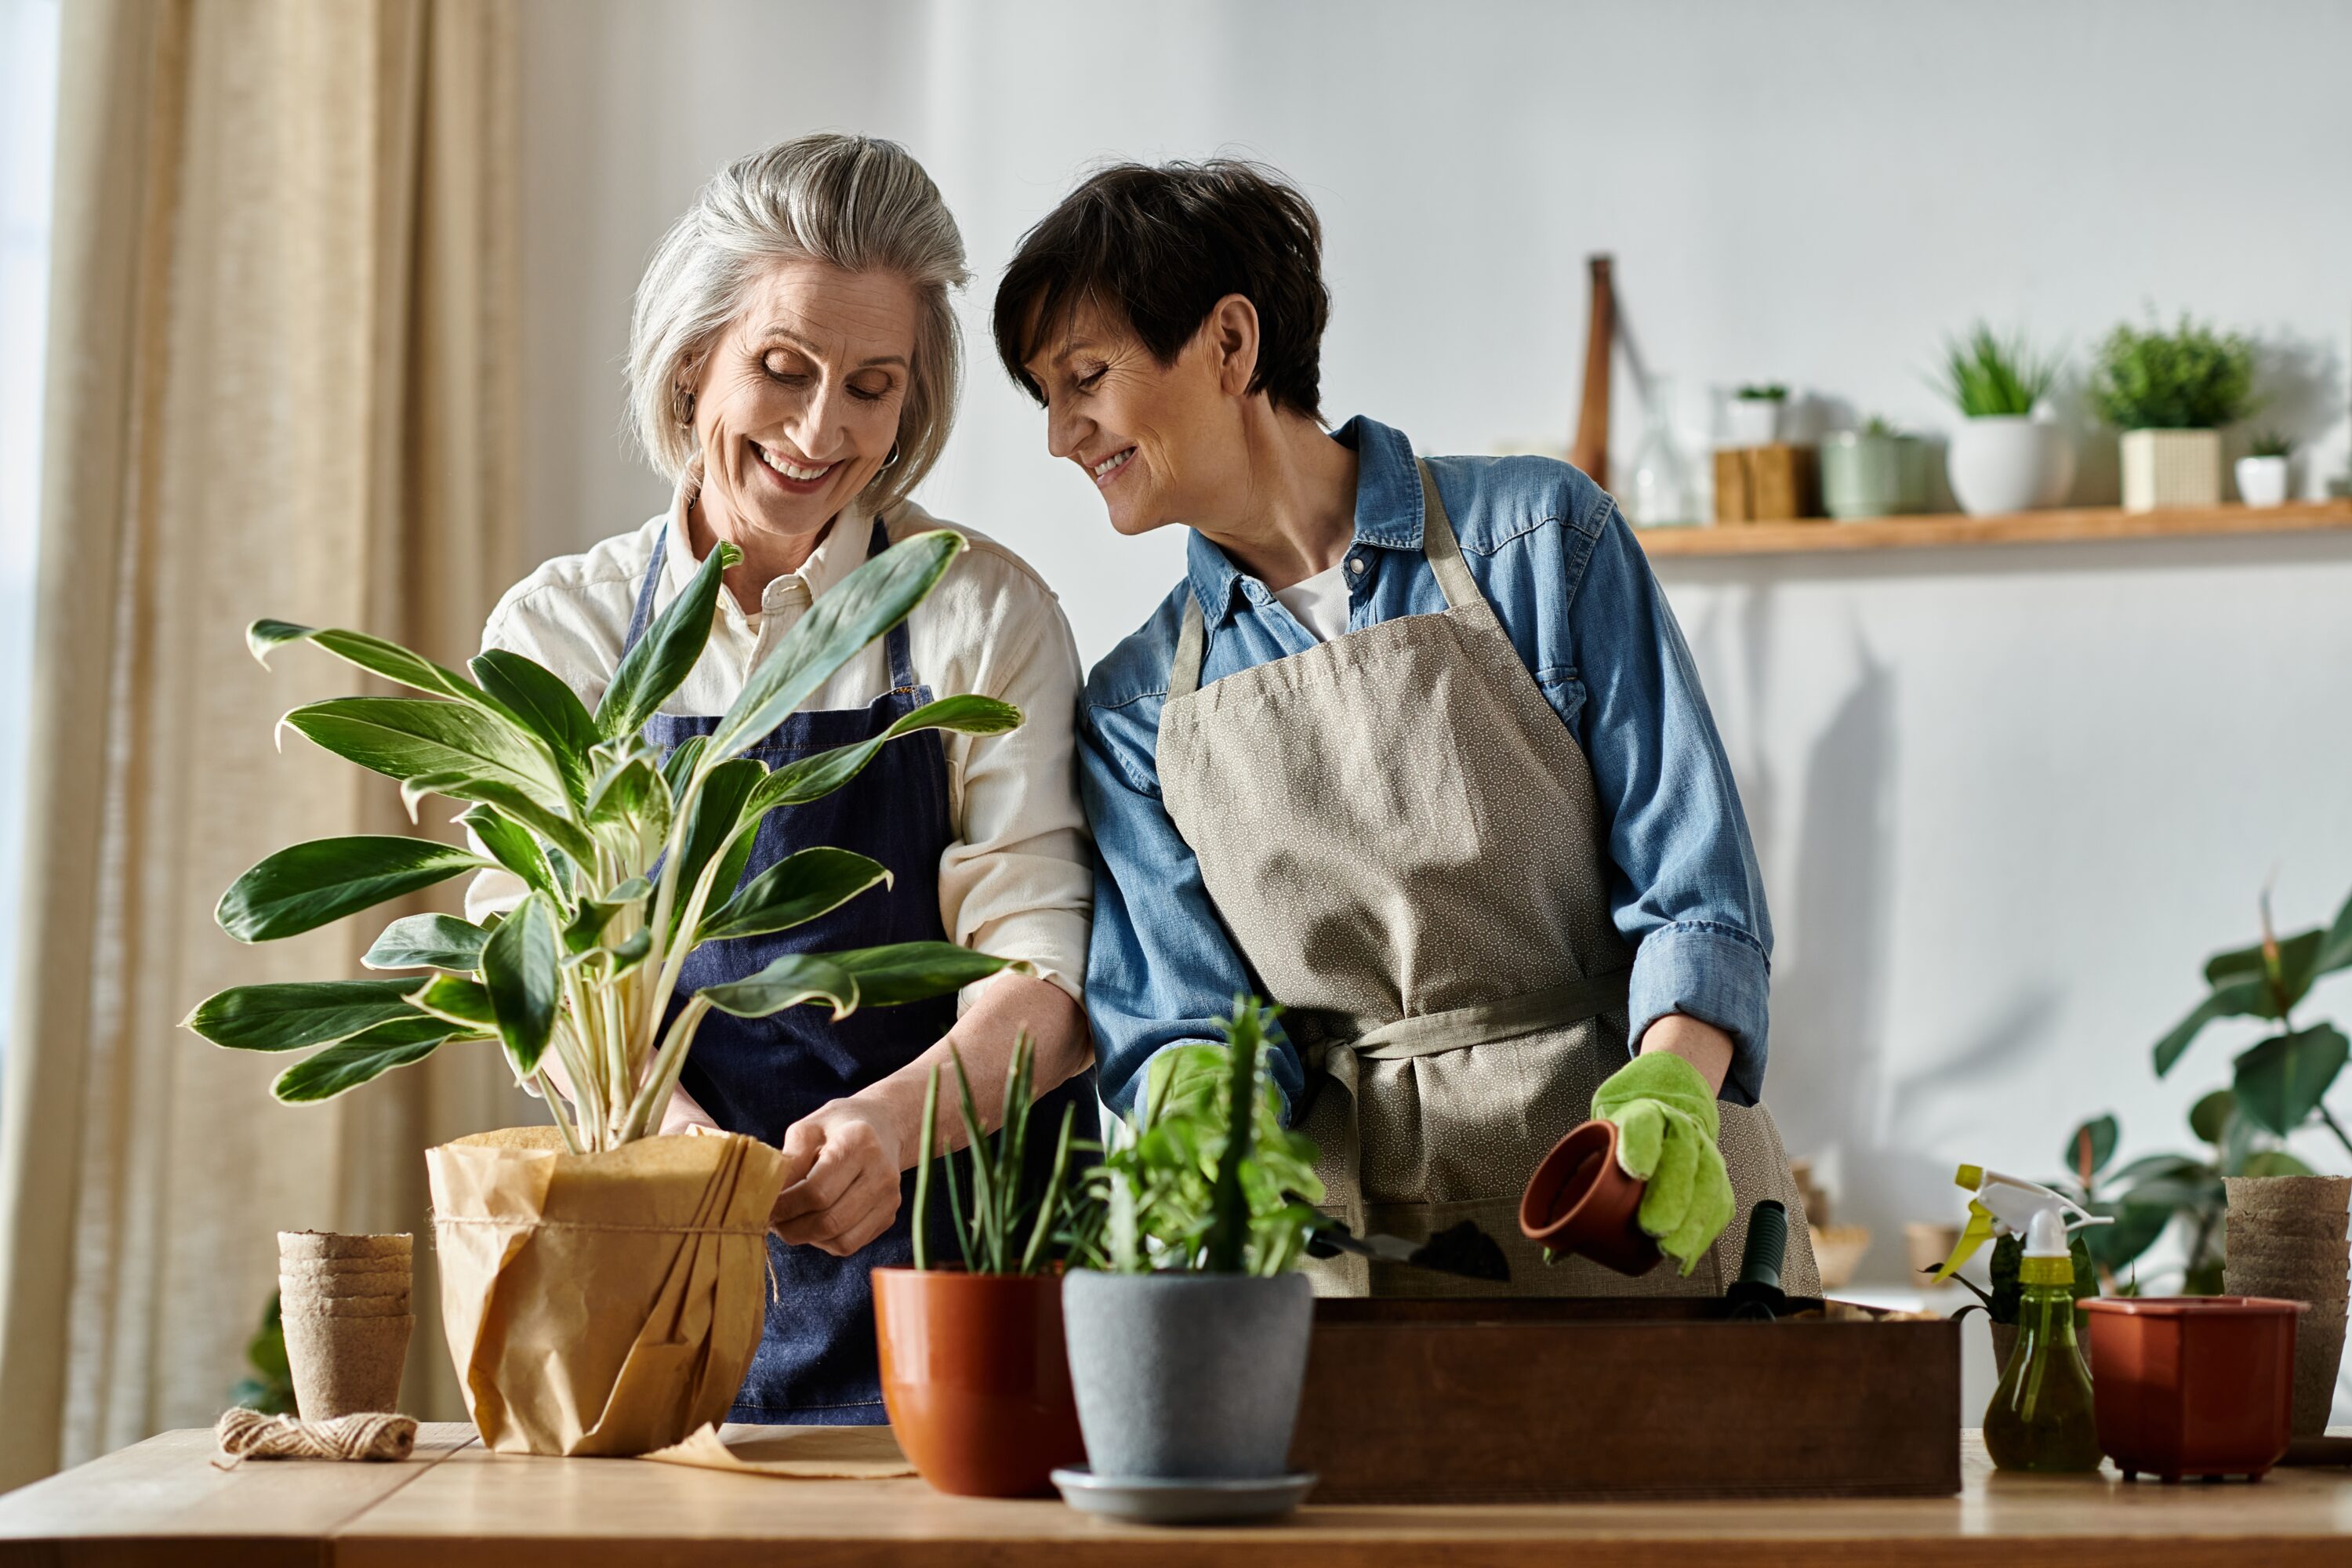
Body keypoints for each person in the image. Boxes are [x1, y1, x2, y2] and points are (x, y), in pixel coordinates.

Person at [993, 159, 1816, 1296]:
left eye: (1085, 377)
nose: (1061, 435)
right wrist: (1214, 1149)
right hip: (1362, 1254)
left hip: (1630, 1200)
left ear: (1231, 345)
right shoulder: (1137, 709)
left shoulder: (1536, 542)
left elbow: (1695, 885)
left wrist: (1673, 1087)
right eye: (1045, 395)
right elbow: (1185, 1023)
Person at [475, 134, 1094, 1419]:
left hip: (963, 1281)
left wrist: (898, 1127)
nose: (823, 432)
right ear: (695, 358)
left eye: (872, 386)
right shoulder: (564, 636)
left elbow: (1049, 983)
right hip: (664, 1282)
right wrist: (685, 1162)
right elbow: (530, 967)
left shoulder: (980, 615)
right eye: (782, 368)